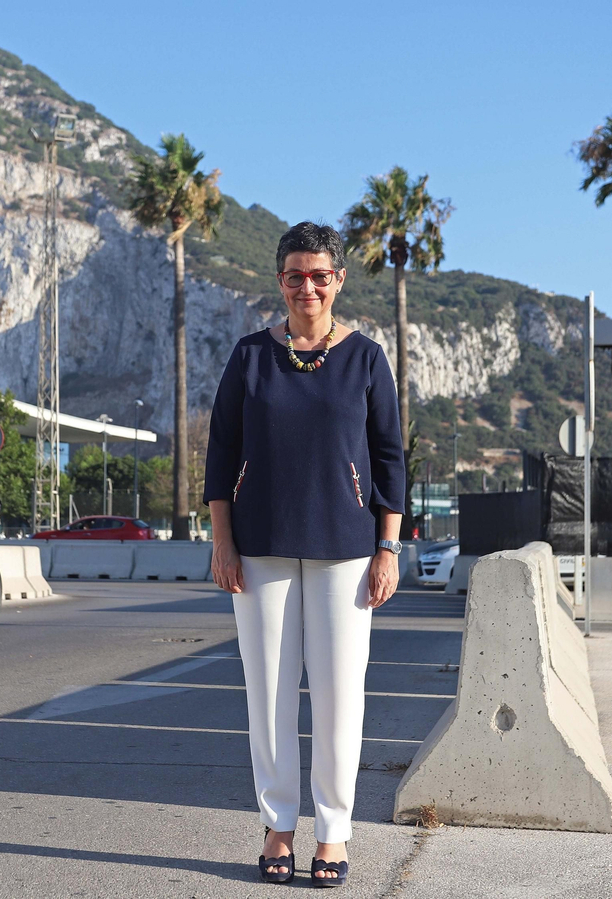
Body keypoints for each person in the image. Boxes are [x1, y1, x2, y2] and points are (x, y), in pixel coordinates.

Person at [203, 221, 406, 887]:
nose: (308, 286)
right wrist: (223, 543)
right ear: (281, 280)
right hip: (258, 549)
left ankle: (335, 834)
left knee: (339, 698)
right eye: (296, 274)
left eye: (320, 275)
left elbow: (389, 458)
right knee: (268, 698)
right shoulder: (249, 357)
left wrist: (388, 546)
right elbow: (220, 456)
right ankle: (278, 828)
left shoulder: (367, 359)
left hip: (347, 550)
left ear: (339, 280)